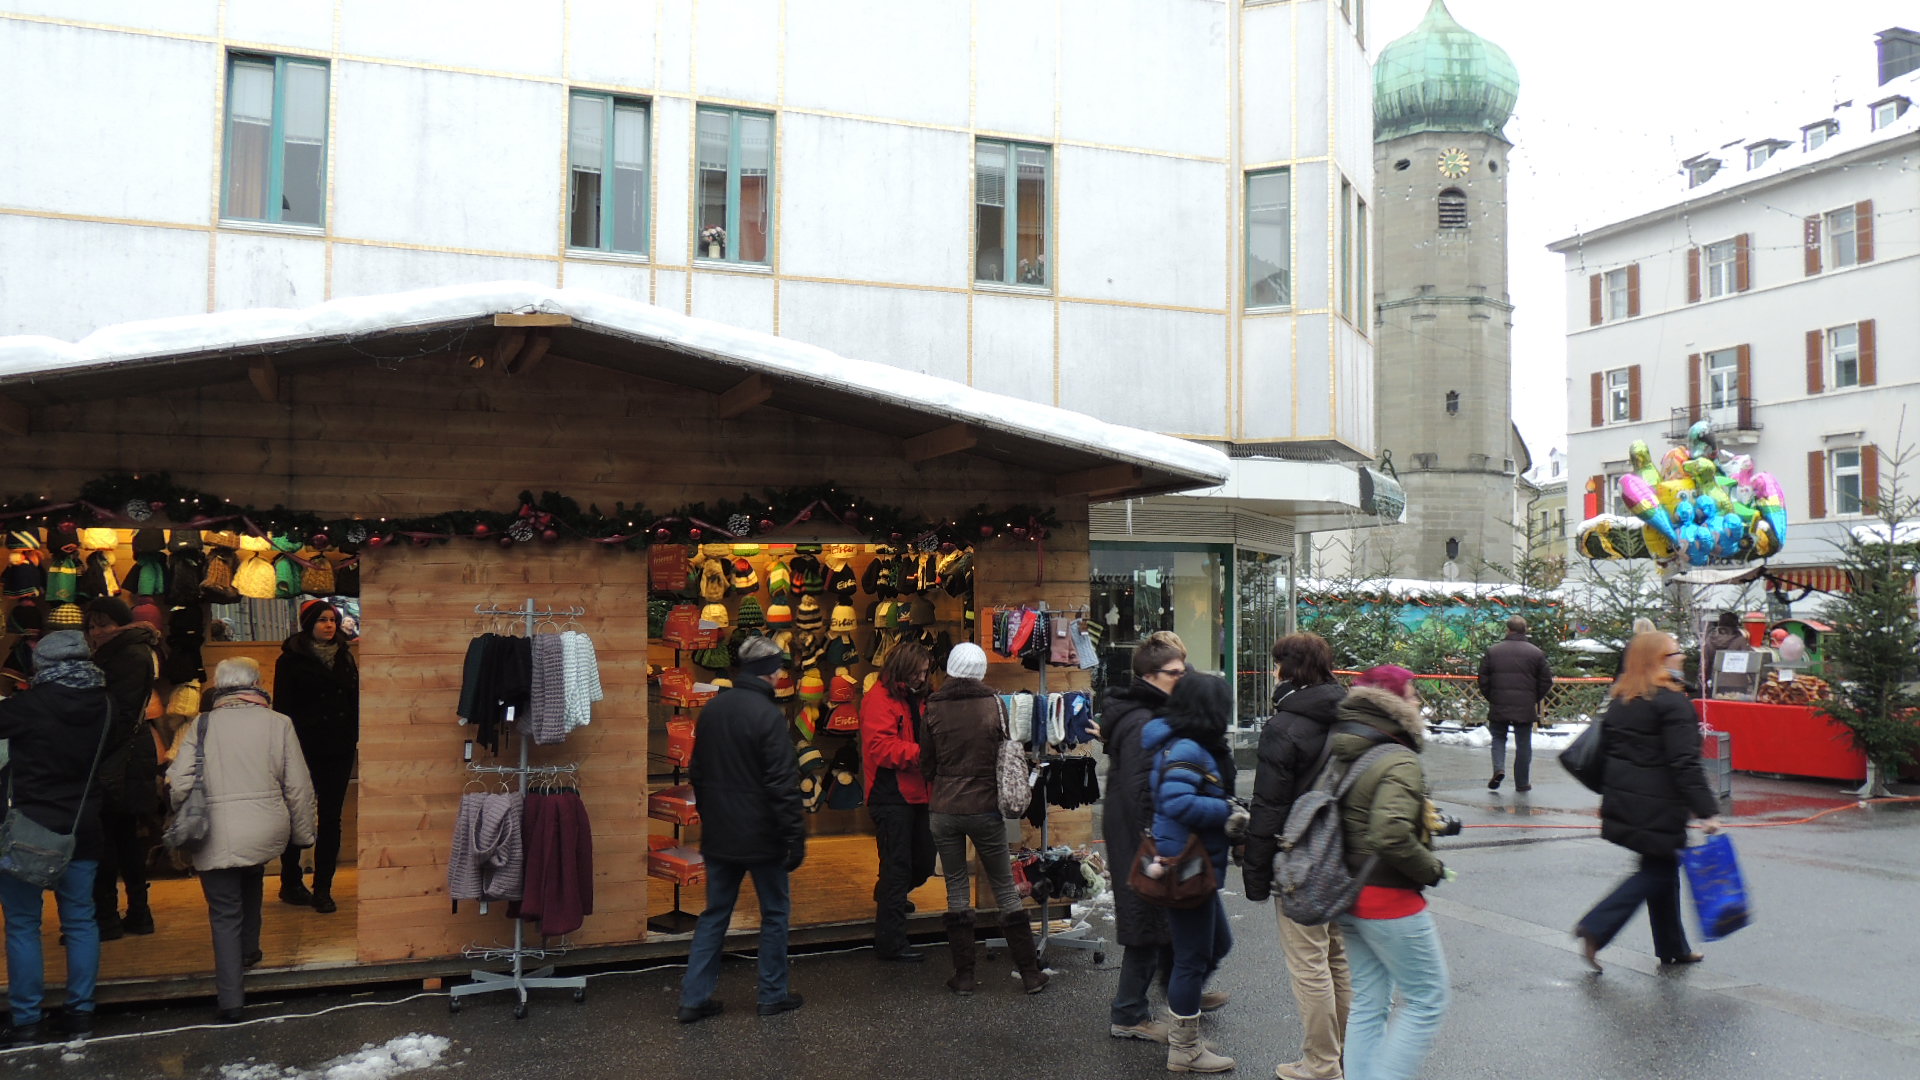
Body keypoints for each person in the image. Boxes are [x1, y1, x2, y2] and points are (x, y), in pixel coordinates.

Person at [166, 659, 316, 1023]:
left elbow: (179, 781)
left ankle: (231, 1000)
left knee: (224, 911)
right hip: (264, 826)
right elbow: (298, 786)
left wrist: (183, 806)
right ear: (257, 684)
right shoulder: (279, 723)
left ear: (219, 687)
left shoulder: (201, 724)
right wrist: (304, 833)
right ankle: (249, 949)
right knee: (250, 872)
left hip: (214, 830)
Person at [1574, 632, 1722, 972]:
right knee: (1658, 871)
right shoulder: (1672, 703)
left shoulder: (1623, 699)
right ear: (1657, 660)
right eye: (1675, 652)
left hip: (1626, 801)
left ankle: (1673, 947)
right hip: (1659, 806)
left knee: (1661, 867)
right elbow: (1685, 763)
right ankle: (1596, 926)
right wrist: (1707, 811)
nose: (1682, 657)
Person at [677, 636, 806, 1022]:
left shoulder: (714, 710)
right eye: (778, 667)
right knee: (775, 913)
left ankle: (693, 998)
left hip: (720, 834)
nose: (780, 674)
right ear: (769, 672)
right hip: (763, 836)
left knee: (715, 914)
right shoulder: (769, 716)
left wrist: (711, 816)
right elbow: (783, 785)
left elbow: (698, 772)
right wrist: (794, 835)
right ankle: (771, 994)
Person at [1331, 665, 1450, 1080]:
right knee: (1427, 998)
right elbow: (1391, 833)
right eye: (1412, 694)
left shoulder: (1345, 745)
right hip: (1386, 895)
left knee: (1369, 1001)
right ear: (1394, 702)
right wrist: (1431, 868)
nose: (1417, 701)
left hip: (1345, 890)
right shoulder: (1398, 757)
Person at [1242, 632, 1351, 1080]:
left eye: (1276, 664)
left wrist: (1254, 873)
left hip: (1301, 858)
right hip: (1343, 852)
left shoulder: (1284, 726)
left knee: (1308, 961)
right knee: (1337, 957)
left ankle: (1321, 1063)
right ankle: (1344, 1054)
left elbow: (1269, 806)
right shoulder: (1351, 713)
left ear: (1287, 670)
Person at [919, 642, 1049, 995]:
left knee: (956, 889)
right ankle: (1030, 974)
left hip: (944, 808)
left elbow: (926, 762)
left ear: (950, 669)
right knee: (1004, 887)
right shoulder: (994, 704)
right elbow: (1005, 752)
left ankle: (964, 977)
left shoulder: (933, 707)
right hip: (985, 807)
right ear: (980, 671)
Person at [0, 630, 110, 1046]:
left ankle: (27, 1020)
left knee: (23, 924)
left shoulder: (28, 706)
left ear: (41, 665)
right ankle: (80, 1014)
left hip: (28, 830)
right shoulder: (106, 703)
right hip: (83, 826)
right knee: (80, 920)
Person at [1141, 672, 1242, 1074]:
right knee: (1193, 957)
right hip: (1186, 867)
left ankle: (1182, 1009)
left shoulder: (1188, 744)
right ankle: (1184, 1047)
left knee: (1217, 943)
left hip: (1192, 864)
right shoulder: (1188, 747)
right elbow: (1177, 801)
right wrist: (1228, 811)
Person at [1096, 632, 1189, 1041]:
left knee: (1159, 921)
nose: (1182, 679)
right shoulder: (1143, 722)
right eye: (1174, 673)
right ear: (1151, 676)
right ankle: (1129, 1013)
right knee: (1146, 922)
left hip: (1136, 832)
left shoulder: (1145, 713)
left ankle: (1181, 990)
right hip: (1140, 836)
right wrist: (1156, 843)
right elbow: (1140, 791)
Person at [273, 599, 358, 914]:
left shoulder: (345, 656)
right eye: (322, 620)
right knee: (296, 814)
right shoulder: (290, 660)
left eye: (332, 619)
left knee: (331, 818)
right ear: (309, 624)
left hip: (338, 747)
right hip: (303, 748)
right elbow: (282, 708)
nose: (329, 625)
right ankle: (291, 881)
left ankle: (324, 888)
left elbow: (353, 701)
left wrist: (352, 735)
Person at [84, 597, 161, 939]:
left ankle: (111, 917)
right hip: (125, 754)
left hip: (120, 756)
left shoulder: (127, 654)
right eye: (92, 626)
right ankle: (135, 913)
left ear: (121, 624)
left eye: (103, 624)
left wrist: (93, 749)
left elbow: (121, 713)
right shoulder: (120, 651)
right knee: (123, 835)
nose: (96, 632)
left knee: (110, 836)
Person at [858, 640, 935, 962]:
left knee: (923, 863)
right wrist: (924, 754)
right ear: (903, 669)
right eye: (918, 672)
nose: (923, 678)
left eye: (926, 672)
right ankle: (891, 943)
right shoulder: (879, 699)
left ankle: (889, 894)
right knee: (897, 866)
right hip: (890, 795)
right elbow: (881, 748)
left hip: (920, 793)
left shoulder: (918, 696)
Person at [1477, 616, 1552, 792]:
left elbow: (1483, 679)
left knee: (1498, 737)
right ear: (1525, 630)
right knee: (1523, 743)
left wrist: (1493, 697)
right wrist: (1533, 698)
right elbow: (1546, 681)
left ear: (1508, 629)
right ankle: (1522, 782)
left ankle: (1499, 769)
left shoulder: (1493, 651)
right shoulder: (1536, 653)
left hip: (1499, 703)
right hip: (1525, 706)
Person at [1699, 611, 1749, 698]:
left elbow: (1704, 663)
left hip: (1717, 681)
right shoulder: (1740, 640)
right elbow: (1749, 661)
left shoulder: (1710, 639)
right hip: (1738, 683)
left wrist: (1702, 681)